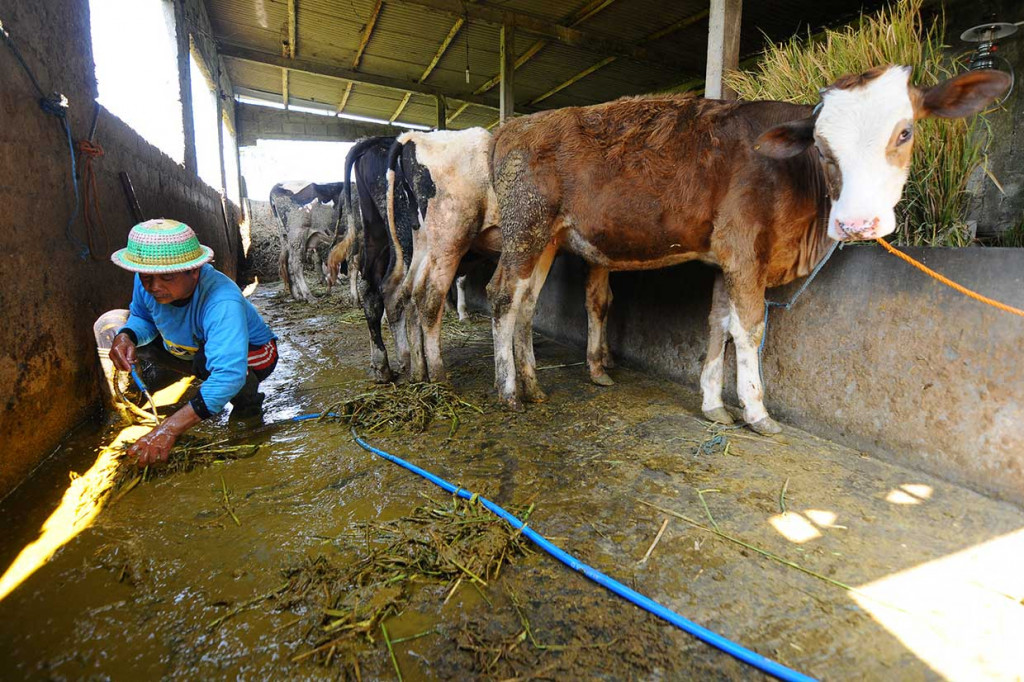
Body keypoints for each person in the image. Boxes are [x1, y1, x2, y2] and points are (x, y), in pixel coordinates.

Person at [101, 219, 278, 467]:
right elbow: (141, 316)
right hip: (194, 349)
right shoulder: (149, 284)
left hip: (257, 353)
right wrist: (125, 336)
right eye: (146, 277)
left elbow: (228, 374)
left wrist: (169, 429)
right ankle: (202, 384)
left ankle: (248, 411)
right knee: (133, 339)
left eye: (168, 278)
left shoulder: (222, 299)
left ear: (194, 270)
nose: (154, 287)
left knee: (226, 373)